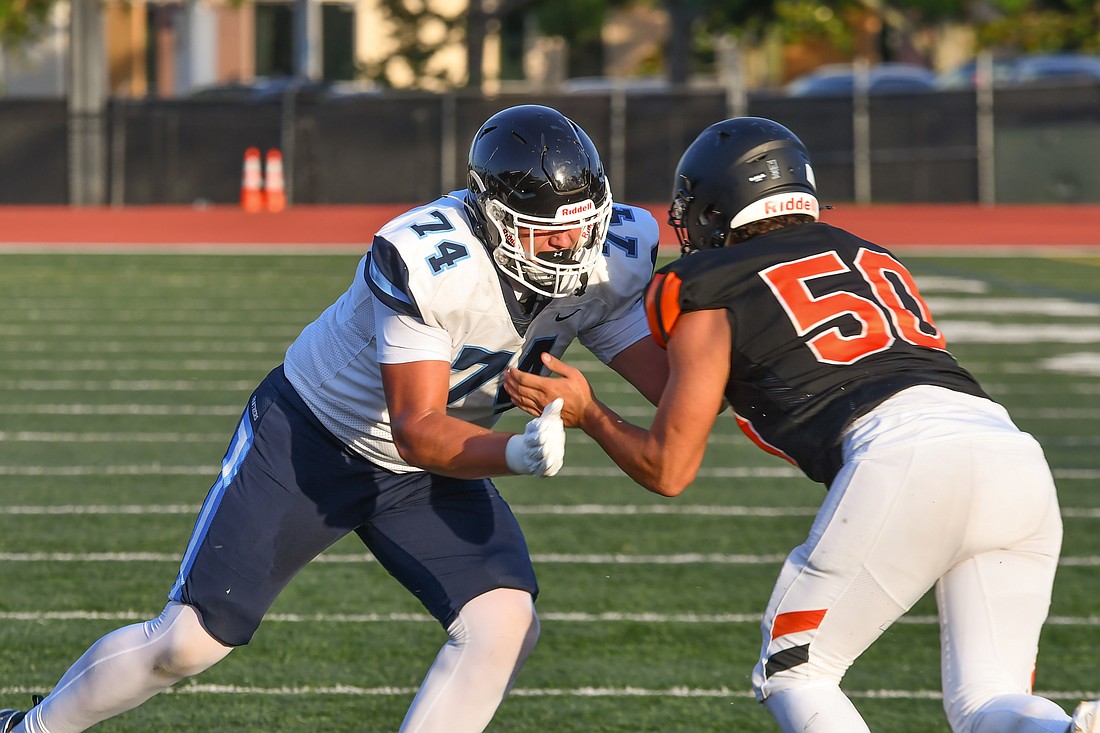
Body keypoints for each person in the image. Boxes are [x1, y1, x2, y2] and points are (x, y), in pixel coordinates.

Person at [0, 104, 667, 733]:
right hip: (314, 440)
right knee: (187, 642)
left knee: (504, 622)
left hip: (427, 465)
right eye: (550, 233)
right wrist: (516, 454)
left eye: (585, 225)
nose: (575, 246)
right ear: (492, 219)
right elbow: (418, 427)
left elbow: (672, 388)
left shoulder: (612, 253)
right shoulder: (430, 260)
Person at [504, 116, 1099, 733]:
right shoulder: (867, 254)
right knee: (988, 698)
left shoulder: (708, 282)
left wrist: (590, 413)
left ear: (714, 209)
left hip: (904, 459)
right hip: (1013, 458)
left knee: (795, 674)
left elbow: (669, 468)